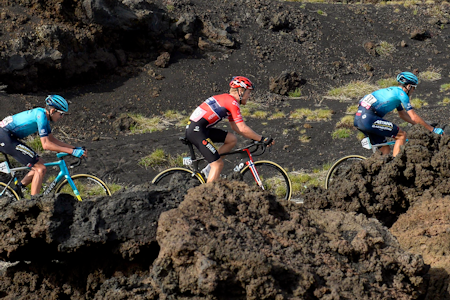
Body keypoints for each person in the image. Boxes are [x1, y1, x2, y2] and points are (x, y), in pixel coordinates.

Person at [185, 76, 274, 182]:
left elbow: (235, 127)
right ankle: (206, 196)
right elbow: (242, 128)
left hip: (199, 129)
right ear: (240, 91)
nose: (249, 96)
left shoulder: (227, 100)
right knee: (218, 164)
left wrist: (254, 137)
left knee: (231, 139)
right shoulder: (232, 102)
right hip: (197, 131)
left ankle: (208, 171)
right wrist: (262, 138)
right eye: (248, 93)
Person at [0, 95, 86, 198]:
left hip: (8, 136)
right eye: (61, 114)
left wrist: (74, 148)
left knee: (41, 164)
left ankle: (17, 190)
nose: (62, 117)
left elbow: (52, 140)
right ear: (53, 110)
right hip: (5, 137)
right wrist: (71, 152)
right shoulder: (41, 116)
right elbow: (46, 145)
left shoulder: (43, 115)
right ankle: (33, 204)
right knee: (40, 168)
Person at [354, 71, 444, 157]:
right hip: (368, 119)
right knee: (401, 135)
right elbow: (413, 116)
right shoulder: (402, 94)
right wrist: (432, 130)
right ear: (408, 86)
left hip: (359, 119)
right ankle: (396, 167)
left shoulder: (394, 92)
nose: (414, 90)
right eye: (414, 87)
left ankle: (383, 171)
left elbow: (403, 115)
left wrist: (422, 126)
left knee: (386, 151)